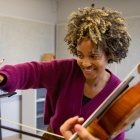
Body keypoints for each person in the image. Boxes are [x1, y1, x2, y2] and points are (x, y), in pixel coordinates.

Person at [0, 5, 131, 140]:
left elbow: (117, 135)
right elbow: (33, 71)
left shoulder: (119, 93)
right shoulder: (65, 70)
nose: (85, 63)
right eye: (80, 55)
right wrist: (4, 77)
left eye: (93, 56)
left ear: (110, 54)